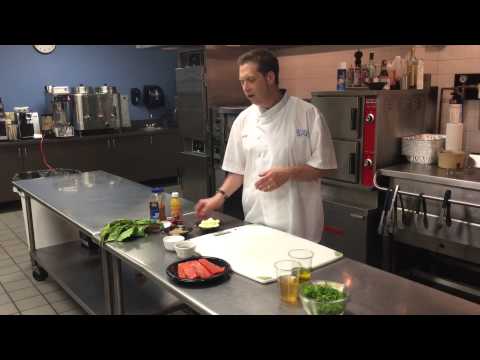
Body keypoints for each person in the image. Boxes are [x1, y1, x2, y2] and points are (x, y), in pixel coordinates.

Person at [195, 49, 337, 242]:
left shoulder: (307, 114)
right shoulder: (244, 120)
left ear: (270, 77)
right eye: (242, 82)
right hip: (256, 221)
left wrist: (288, 173)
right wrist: (218, 197)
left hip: (299, 226)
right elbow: (238, 170)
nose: (245, 87)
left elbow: (325, 167)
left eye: (251, 80)